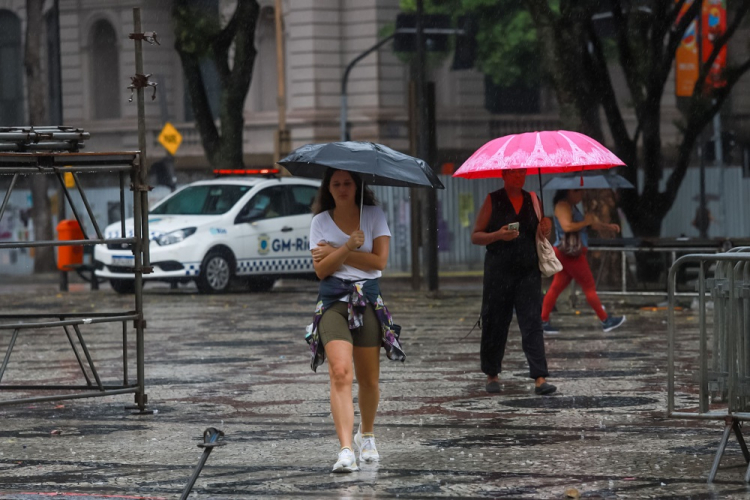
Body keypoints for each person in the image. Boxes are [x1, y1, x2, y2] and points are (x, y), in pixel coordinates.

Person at [304, 168, 405, 473]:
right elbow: (320, 271)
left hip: (368, 301)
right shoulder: (319, 222)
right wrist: (348, 246)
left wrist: (335, 252)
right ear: (329, 189)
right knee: (340, 371)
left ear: (357, 186)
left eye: (348, 182)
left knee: (369, 379)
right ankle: (346, 448)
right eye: (336, 183)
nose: (343, 188)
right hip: (333, 303)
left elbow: (379, 262)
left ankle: (368, 435)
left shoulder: (373, 215)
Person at [470, 168, 556, 396]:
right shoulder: (493, 199)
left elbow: (542, 236)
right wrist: (498, 234)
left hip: (528, 272)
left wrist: (545, 228)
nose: (520, 176)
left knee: (532, 323)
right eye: (515, 173)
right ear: (504, 175)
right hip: (498, 272)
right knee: (495, 322)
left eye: (523, 172)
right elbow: (476, 236)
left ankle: (540, 377)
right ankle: (492, 374)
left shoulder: (533, 199)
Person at [541, 189, 626, 334]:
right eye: (579, 192)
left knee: (556, 287)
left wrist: (607, 226)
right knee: (589, 286)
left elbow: (590, 225)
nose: (581, 196)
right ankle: (606, 320)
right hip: (570, 254)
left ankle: (542, 320)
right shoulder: (562, 206)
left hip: (568, 253)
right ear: (570, 192)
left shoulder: (571, 205)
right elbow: (567, 226)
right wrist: (585, 221)